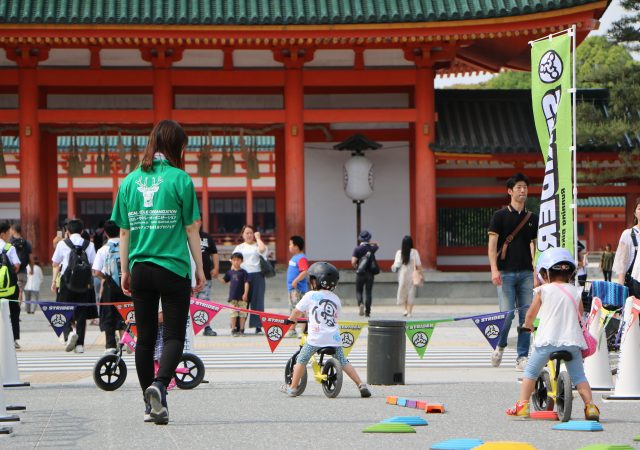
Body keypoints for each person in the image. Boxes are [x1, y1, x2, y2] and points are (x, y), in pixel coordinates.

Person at [111, 119, 205, 425]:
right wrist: (199, 269)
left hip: (140, 268)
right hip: (173, 267)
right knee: (175, 333)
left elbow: (124, 233)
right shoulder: (181, 180)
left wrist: (125, 270)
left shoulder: (128, 182)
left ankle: (150, 405)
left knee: (146, 338)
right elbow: (192, 228)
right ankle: (160, 385)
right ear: (176, 146)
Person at [506, 247, 600, 421]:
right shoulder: (576, 292)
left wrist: (528, 326)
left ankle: (522, 405)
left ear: (546, 273)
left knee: (531, 372)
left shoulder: (543, 291)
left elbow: (531, 315)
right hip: (572, 341)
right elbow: (580, 314)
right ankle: (590, 407)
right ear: (570, 273)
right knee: (579, 377)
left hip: (547, 341)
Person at [280, 262, 371, 398]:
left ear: (316, 281)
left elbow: (297, 311)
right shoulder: (336, 299)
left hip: (316, 339)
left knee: (301, 359)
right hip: (334, 338)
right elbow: (335, 317)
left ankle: (292, 388)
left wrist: (290, 320)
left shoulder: (310, 295)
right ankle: (360, 384)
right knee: (343, 361)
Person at [487, 173, 538, 371]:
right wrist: (493, 269)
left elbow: (534, 245)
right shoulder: (499, 216)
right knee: (507, 314)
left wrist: (535, 271)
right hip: (505, 272)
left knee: (527, 316)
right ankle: (500, 345)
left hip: (526, 272)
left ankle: (522, 356)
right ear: (510, 191)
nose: (522, 190)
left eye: (525, 187)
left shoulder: (532, 218)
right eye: (518, 187)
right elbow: (492, 245)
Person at [51, 218, 97, 354]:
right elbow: (93, 265)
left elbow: (55, 264)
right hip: (84, 283)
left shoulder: (62, 244)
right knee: (82, 312)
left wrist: (54, 281)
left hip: (66, 282)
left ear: (68, 231)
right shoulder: (90, 245)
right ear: (82, 231)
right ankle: (80, 345)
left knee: (63, 309)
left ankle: (69, 333)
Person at [92, 220, 129, 354]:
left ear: (106, 233)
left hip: (109, 285)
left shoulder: (103, 250)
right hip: (127, 285)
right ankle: (127, 340)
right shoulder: (129, 246)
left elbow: (96, 271)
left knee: (109, 313)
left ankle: (110, 345)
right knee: (126, 311)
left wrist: (104, 278)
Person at [232, 224, 268, 334]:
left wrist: (258, 238)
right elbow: (233, 262)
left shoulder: (257, 245)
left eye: (250, 233)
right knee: (241, 301)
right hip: (242, 276)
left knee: (258, 301)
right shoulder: (239, 247)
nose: (248, 235)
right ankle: (238, 326)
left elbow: (262, 249)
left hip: (257, 275)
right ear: (242, 235)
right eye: (246, 233)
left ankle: (258, 326)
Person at [612, 197, 640, 296]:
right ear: (635, 213)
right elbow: (622, 263)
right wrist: (621, 287)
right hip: (634, 285)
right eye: (639, 208)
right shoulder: (628, 234)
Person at [0, 221, 21, 349]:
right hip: (9, 288)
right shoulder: (9, 248)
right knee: (13, 311)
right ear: (3, 234)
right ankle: (13, 339)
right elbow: (17, 266)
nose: (10, 235)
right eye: (8, 233)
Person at [391, 235, 422, 317]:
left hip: (402, 274)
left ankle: (405, 310)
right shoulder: (415, 252)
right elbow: (418, 265)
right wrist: (421, 273)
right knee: (411, 292)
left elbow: (396, 264)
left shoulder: (399, 252)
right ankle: (409, 312)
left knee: (403, 291)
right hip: (412, 274)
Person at [220, 252, 249, 336]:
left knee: (243, 314)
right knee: (233, 314)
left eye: (238, 260)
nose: (236, 262)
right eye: (234, 260)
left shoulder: (244, 272)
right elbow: (224, 281)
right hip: (232, 298)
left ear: (242, 261)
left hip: (242, 297)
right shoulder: (229, 272)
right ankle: (233, 329)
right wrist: (216, 276)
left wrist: (245, 294)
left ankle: (242, 329)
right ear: (231, 261)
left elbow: (247, 283)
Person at [351, 230, 379, 318]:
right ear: (369, 238)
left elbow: (353, 261)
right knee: (368, 292)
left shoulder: (357, 249)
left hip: (360, 273)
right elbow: (377, 244)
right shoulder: (372, 248)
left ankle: (360, 304)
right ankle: (367, 312)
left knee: (359, 291)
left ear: (360, 239)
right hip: (370, 274)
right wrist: (370, 242)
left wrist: (356, 266)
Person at [286, 235, 309, 338]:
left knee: (300, 309)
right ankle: (292, 329)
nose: (289, 246)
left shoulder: (301, 258)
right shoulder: (295, 258)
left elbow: (305, 271)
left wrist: (295, 281)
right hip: (293, 289)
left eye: (290, 244)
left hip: (298, 289)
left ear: (296, 246)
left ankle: (301, 330)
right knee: (293, 309)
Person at [199, 223, 220, 337]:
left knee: (205, 302)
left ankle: (207, 327)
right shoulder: (184, 236)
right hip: (188, 278)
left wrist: (216, 268)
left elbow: (214, 253)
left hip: (206, 276)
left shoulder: (206, 237)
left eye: (198, 221)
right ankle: (184, 329)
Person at [9, 224, 32, 305]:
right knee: (20, 291)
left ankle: (12, 307)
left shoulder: (9, 243)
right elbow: (30, 258)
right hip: (22, 270)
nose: (9, 231)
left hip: (11, 270)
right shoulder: (26, 243)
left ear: (14, 230)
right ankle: (17, 307)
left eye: (11, 230)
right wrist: (31, 268)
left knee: (11, 290)